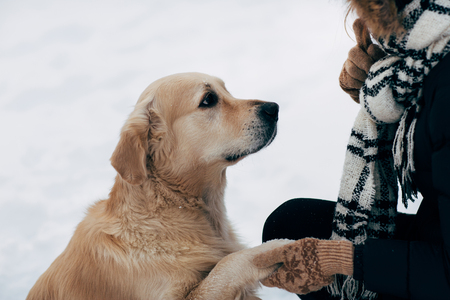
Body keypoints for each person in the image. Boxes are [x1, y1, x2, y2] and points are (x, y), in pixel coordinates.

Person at [253, 0, 450, 299]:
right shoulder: (431, 52)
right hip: (435, 234)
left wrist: (343, 260)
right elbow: (433, 149)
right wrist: (383, 90)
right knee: (290, 225)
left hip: (442, 271)